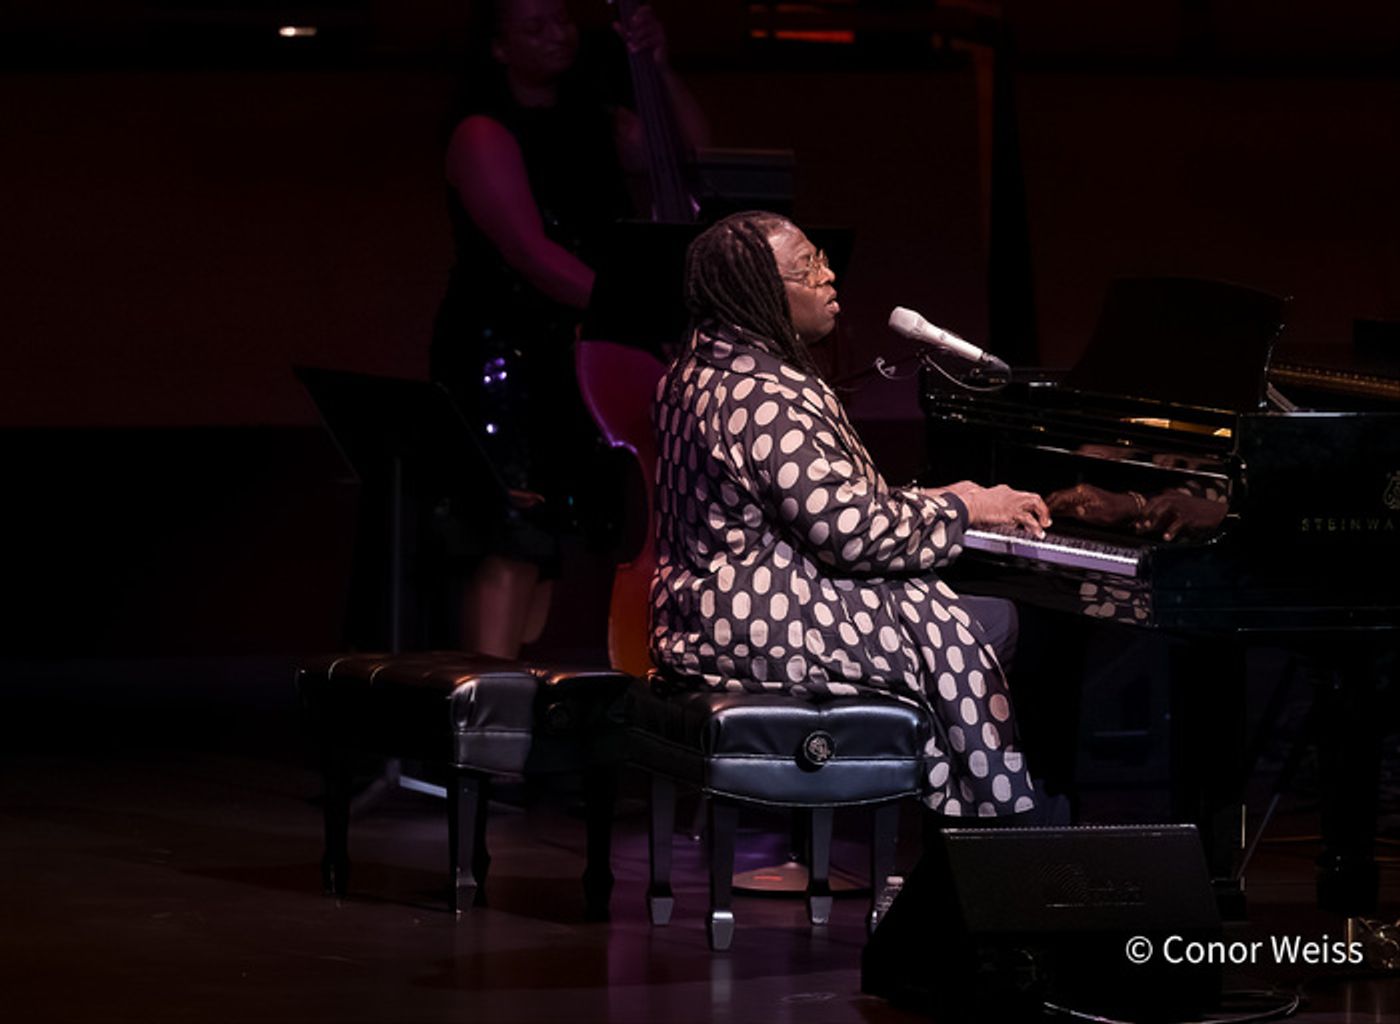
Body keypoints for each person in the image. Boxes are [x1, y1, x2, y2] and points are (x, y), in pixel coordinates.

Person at [649, 210, 1055, 818]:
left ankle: (947, 807)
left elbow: (822, 503)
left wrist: (937, 499)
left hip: (701, 616)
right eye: (808, 267)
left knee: (958, 616)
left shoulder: (699, 372)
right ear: (759, 292)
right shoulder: (764, 393)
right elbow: (850, 534)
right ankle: (984, 820)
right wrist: (965, 509)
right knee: (992, 622)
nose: (830, 276)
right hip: (763, 624)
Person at [428, 0, 707, 658]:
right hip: (507, 361)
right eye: (535, 26)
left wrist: (658, 67)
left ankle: (510, 713)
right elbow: (531, 252)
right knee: (510, 541)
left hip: (580, 352)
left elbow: (691, 160)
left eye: (561, 21)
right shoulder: (482, 132)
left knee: (551, 544)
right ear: (497, 47)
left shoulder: (598, 120)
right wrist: (641, 313)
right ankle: (481, 724)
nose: (558, 35)